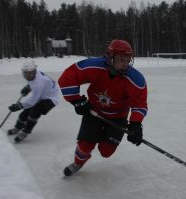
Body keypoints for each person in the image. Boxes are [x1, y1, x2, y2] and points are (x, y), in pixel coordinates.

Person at [58, 39, 148, 176]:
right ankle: (78, 163)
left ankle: (101, 135)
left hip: (118, 117)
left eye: (128, 60)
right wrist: (77, 101)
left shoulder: (135, 79)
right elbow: (67, 78)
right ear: (110, 57)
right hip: (94, 112)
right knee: (85, 145)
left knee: (106, 152)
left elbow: (139, 103)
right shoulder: (95, 66)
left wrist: (136, 124)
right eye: (121, 60)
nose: (125, 64)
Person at [7, 60, 60, 142]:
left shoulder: (38, 83)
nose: (28, 76)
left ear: (34, 72)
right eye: (26, 73)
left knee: (35, 112)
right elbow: (33, 84)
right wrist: (28, 87)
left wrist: (19, 105)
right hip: (43, 94)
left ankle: (25, 132)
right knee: (24, 113)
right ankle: (18, 127)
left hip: (51, 99)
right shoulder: (35, 75)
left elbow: (33, 101)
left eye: (30, 73)